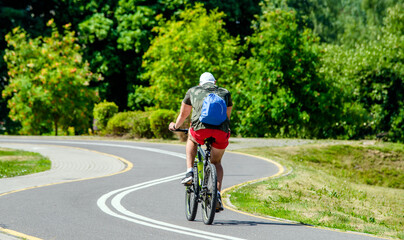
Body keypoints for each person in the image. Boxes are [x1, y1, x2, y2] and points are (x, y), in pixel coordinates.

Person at [169, 72, 232, 212]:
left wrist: (176, 126)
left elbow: (183, 114)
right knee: (217, 162)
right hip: (221, 132)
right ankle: (216, 194)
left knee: (191, 138)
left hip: (200, 130)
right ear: (214, 82)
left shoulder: (193, 91)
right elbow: (227, 116)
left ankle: (189, 172)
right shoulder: (225, 92)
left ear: (200, 83)